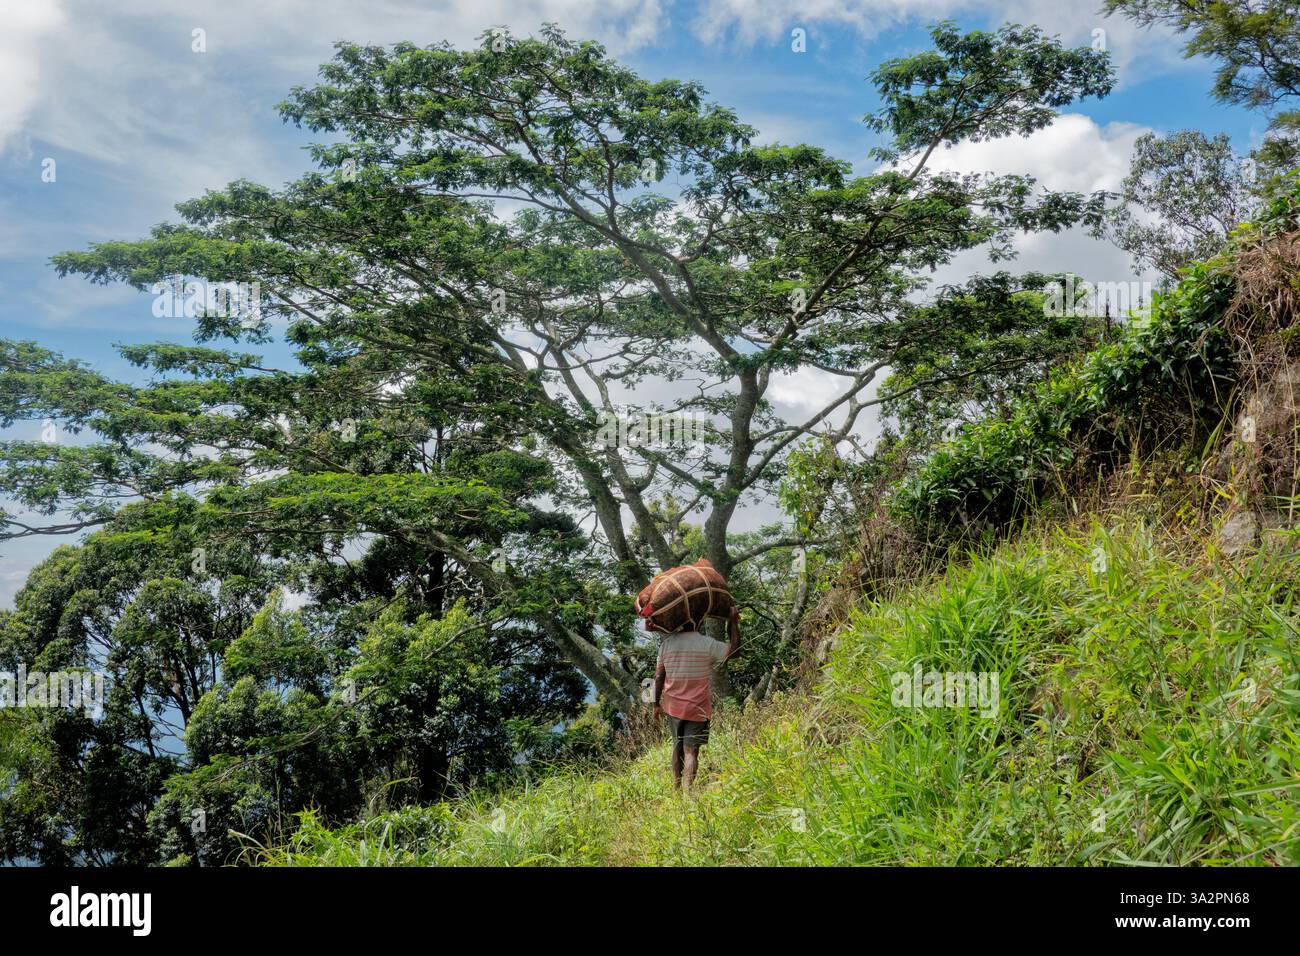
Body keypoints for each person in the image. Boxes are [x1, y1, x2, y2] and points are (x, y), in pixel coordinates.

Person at [652, 615, 740, 790]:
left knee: (677, 746)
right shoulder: (707, 644)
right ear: (698, 622)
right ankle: (687, 794)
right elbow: (736, 651)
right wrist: (733, 622)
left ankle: (676, 789)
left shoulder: (666, 645)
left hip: (673, 707)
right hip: (697, 708)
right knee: (691, 751)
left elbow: (659, 676)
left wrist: (655, 704)